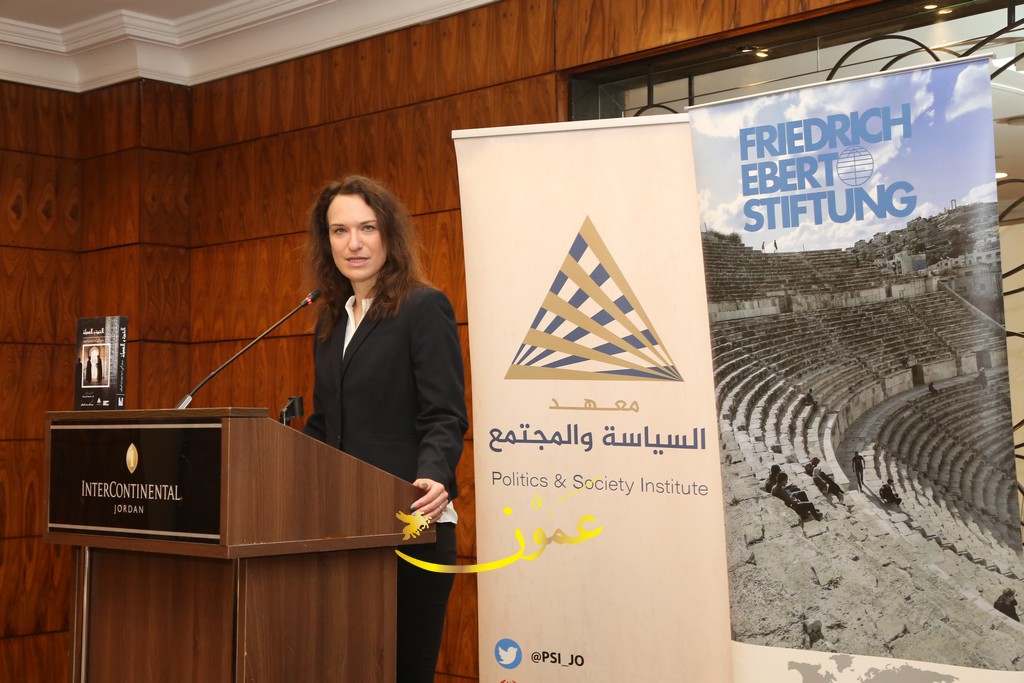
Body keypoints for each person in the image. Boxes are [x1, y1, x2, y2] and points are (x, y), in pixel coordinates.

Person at [302, 175, 469, 682]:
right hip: (344, 526)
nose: (353, 243)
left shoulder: (423, 306)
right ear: (327, 241)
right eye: (339, 231)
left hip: (411, 523)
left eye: (367, 228)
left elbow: (444, 413)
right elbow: (326, 424)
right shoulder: (331, 320)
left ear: (389, 234)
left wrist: (435, 474)